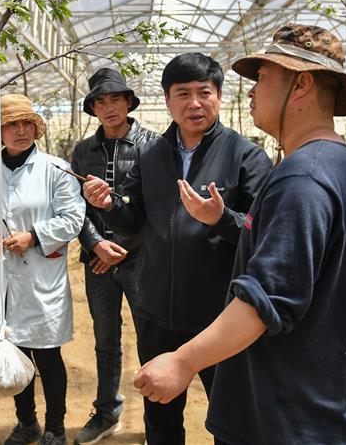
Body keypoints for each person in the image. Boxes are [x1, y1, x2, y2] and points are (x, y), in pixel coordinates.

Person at [133, 24, 346, 444]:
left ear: (300, 84)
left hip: (286, 416)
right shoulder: (334, 164)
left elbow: (264, 300)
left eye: (263, 79)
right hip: (315, 403)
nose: (251, 92)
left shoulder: (301, 179)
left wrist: (182, 361)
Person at [82, 53, 273, 445]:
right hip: (158, 314)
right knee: (162, 418)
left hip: (221, 318)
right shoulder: (152, 156)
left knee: (233, 419)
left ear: (219, 96)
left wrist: (221, 218)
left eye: (204, 92)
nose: (194, 103)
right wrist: (109, 205)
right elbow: (133, 221)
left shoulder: (245, 157)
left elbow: (265, 233)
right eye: (182, 94)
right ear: (167, 101)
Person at [0, 94, 85, 445]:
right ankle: (27, 423)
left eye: (27, 124)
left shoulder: (56, 169)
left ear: (36, 127)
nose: (21, 131)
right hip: (3, 281)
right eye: (12, 124)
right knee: (12, 352)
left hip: (40, 281)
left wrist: (34, 236)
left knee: (48, 357)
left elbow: (73, 217)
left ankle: (55, 428)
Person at [70, 68, 159, 444]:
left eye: (114, 99)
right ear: (93, 108)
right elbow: (74, 207)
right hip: (97, 262)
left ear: (128, 102)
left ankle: (158, 419)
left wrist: (124, 250)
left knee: (151, 339)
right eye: (100, 101)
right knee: (105, 339)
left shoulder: (153, 145)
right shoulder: (82, 151)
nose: (108, 108)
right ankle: (108, 411)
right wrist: (95, 244)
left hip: (141, 261)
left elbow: (156, 207)